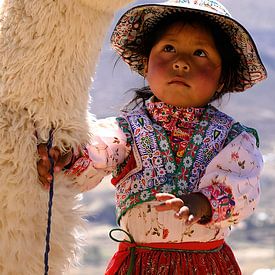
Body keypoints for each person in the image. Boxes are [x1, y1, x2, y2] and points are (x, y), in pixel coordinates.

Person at [37, 0, 267, 274]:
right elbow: (96, 151)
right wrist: (65, 157)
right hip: (138, 266)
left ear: (221, 78)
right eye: (168, 48)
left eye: (200, 52)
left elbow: (244, 192)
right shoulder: (125, 130)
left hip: (206, 266)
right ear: (146, 65)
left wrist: (202, 203)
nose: (181, 62)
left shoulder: (233, 140)